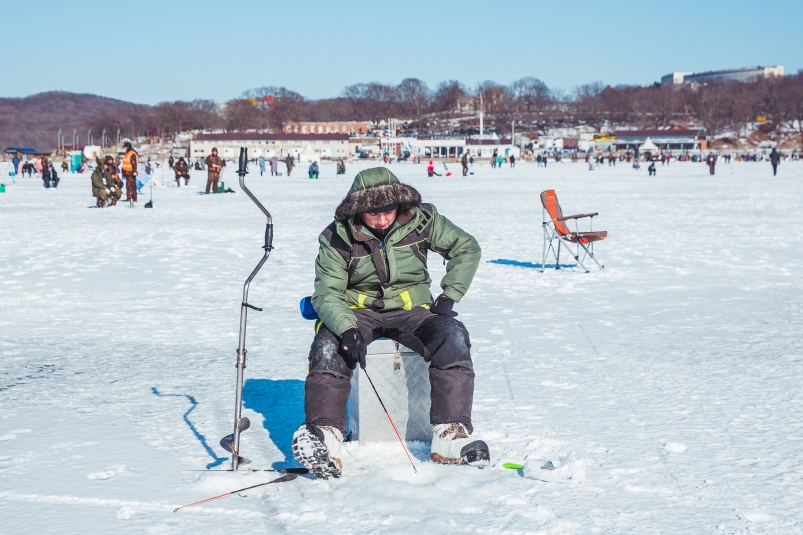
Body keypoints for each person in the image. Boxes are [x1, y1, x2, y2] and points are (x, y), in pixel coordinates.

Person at [291, 167, 488, 479]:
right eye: (373, 213)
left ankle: (451, 435)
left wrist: (451, 294)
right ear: (358, 210)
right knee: (329, 345)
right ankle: (326, 437)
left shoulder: (423, 220)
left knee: (452, 336)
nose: (382, 220)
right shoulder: (336, 237)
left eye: (388, 210)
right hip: (357, 310)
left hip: (413, 309)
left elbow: (466, 248)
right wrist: (346, 328)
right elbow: (327, 292)